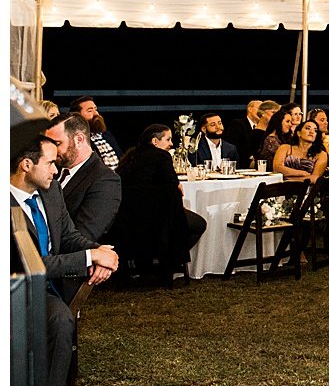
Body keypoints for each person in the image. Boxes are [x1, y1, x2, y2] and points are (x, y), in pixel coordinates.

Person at [10, 135, 119, 386]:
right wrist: (88, 257)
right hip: (15, 290)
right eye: (49, 163)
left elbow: (69, 237)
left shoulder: (51, 191)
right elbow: (28, 263)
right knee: (59, 319)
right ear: (26, 165)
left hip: (49, 288)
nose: (56, 171)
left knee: (59, 320)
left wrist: (100, 253)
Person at [112, 125, 208, 274]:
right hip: (159, 217)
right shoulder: (162, 156)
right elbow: (171, 186)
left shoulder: (130, 156)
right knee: (199, 224)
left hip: (127, 218)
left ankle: (152, 261)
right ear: (155, 142)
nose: (171, 144)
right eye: (168, 139)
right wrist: (176, 185)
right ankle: (168, 261)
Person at [46, 114, 122, 243]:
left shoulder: (105, 181)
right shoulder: (53, 169)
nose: (51, 150)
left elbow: (83, 237)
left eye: (57, 143)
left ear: (79, 139)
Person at [68, 95, 120, 171]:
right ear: (78, 117)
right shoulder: (78, 141)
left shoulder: (106, 135)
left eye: (96, 109)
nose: (96, 114)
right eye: (90, 111)